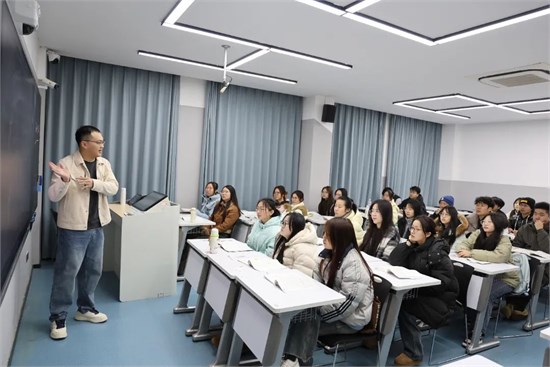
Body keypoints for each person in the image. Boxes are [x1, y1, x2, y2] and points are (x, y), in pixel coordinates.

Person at [47, 125, 119, 340]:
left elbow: (113, 187)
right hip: (73, 230)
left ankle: (85, 310)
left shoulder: (104, 163)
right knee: (66, 273)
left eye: (103, 142)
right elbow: (52, 196)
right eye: (99, 142)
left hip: (97, 227)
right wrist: (65, 181)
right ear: (84, 143)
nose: (102, 146)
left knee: (92, 271)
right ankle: (58, 317)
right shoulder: (66, 164)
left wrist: (94, 183)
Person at [281, 217, 374, 367]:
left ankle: (297, 361)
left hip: (350, 319)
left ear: (339, 238)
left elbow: (346, 306)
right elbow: (315, 284)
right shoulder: (326, 255)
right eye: (323, 233)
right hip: (331, 309)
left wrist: (318, 313)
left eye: (328, 235)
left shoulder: (354, 265)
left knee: (306, 321)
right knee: (299, 316)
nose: (323, 238)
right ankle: (292, 358)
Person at [389, 216, 458, 366]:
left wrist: (416, 285)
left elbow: (443, 283)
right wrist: (407, 244)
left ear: (427, 233)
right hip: (420, 292)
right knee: (390, 298)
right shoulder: (414, 246)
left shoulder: (437, 252)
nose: (412, 232)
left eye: (417, 229)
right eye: (412, 228)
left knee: (403, 304)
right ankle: (379, 337)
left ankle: (414, 353)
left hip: (441, 301)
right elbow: (393, 261)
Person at [455, 212, 519, 345]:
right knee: (470, 290)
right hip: (482, 274)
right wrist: (466, 250)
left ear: (498, 224)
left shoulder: (504, 239)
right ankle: (472, 323)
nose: (485, 224)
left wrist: (471, 253)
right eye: (484, 221)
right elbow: (461, 246)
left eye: (489, 222)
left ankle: (478, 333)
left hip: (505, 278)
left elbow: (499, 256)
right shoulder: (478, 233)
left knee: (485, 295)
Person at [513, 201, 549, 284]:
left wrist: (540, 231)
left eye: (541, 215)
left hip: (544, 266)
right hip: (525, 262)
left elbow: (548, 249)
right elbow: (515, 247)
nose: (537, 217)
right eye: (535, 214)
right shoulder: (525, 228)